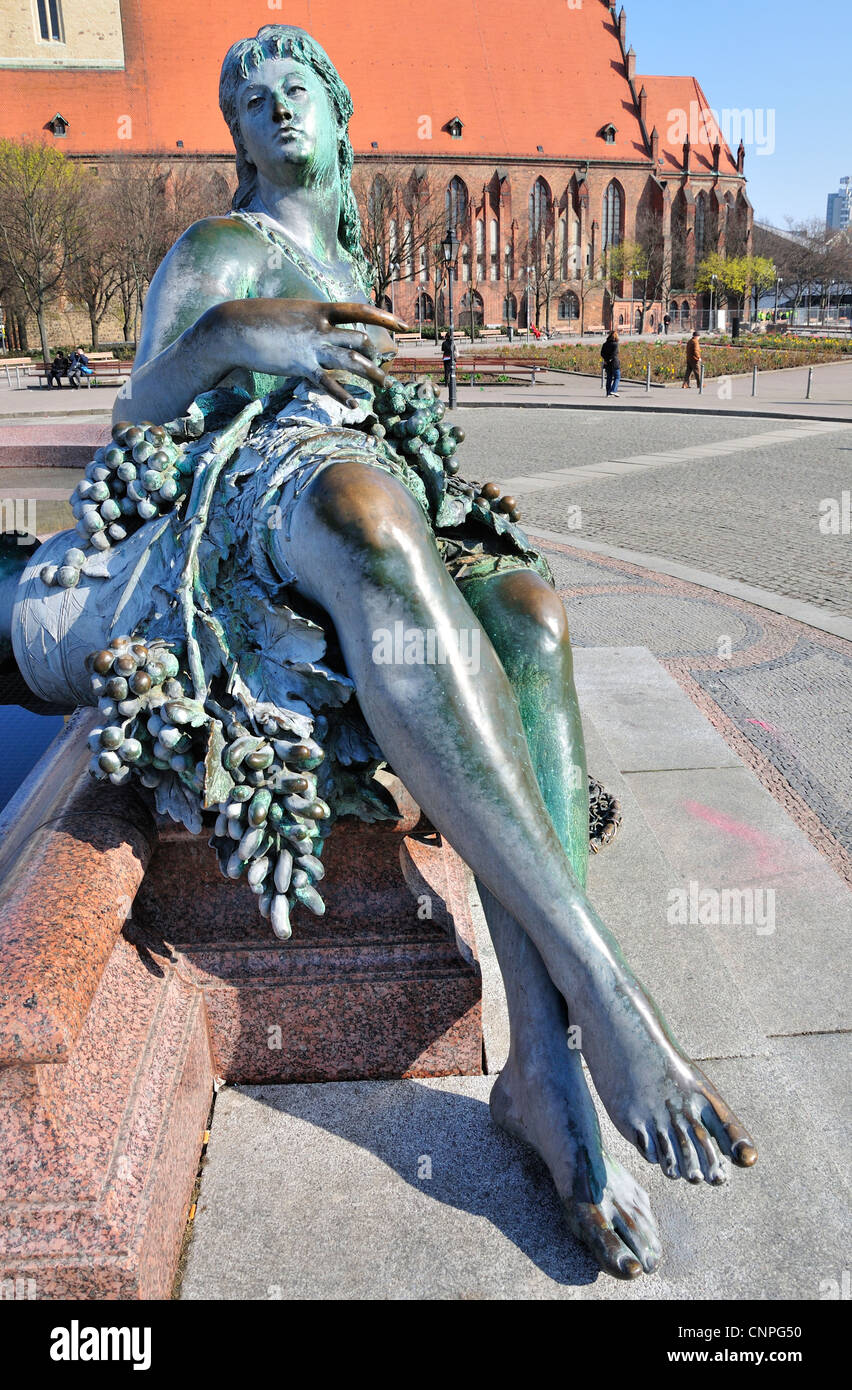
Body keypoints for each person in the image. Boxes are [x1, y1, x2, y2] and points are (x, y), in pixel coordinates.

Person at [0, 23, 755, 1282]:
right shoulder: (219, 249)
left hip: (369, 493)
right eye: (248, 97)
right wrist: (248, 337)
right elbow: (141, 400)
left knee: (528, 617)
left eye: (297, 87)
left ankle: (538, 1065)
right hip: (258, 500)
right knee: (360, 509)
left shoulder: (353, 245)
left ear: (341, 116)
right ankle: (602, 1002)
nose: (274, 106)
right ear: (233, 138)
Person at [601, 329, 620, 396]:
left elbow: (602, 353)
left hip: (607, 364)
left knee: (609, 378)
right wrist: (610, 359)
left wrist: (606, 360)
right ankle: (613, 390)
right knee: (617, 377)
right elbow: (614, 354)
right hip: (614, 363)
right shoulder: (615, 344)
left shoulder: (605, 344)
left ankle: (608, 393)